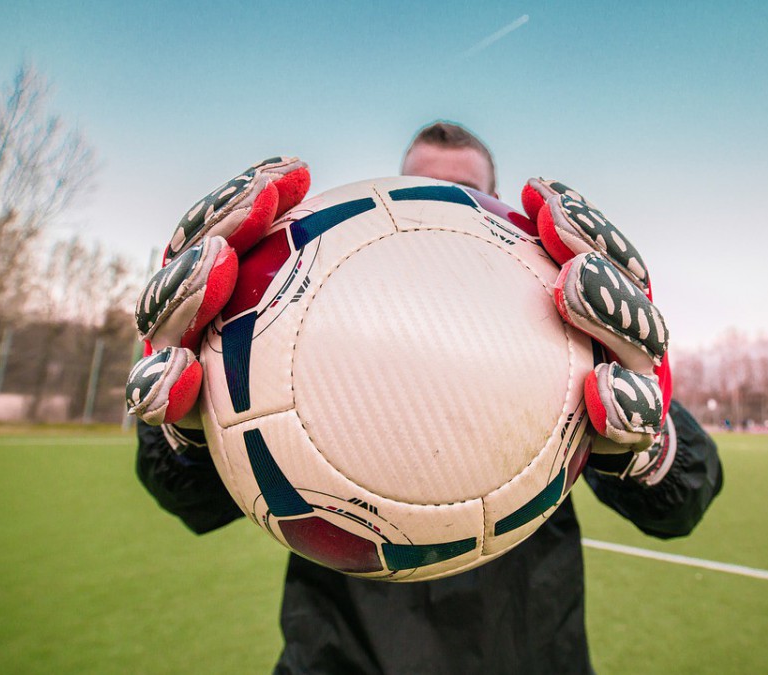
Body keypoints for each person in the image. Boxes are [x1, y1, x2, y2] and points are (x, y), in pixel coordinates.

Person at [128, 121, 724, 674]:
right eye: (420, 186)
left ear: (492, 207)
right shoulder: (302, 322)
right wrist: (195, 419)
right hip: (339, 656)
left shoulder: (560, 325)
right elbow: (188, 499)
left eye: (460, 190)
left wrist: (645, 439)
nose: (436, 207)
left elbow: (680, 504)